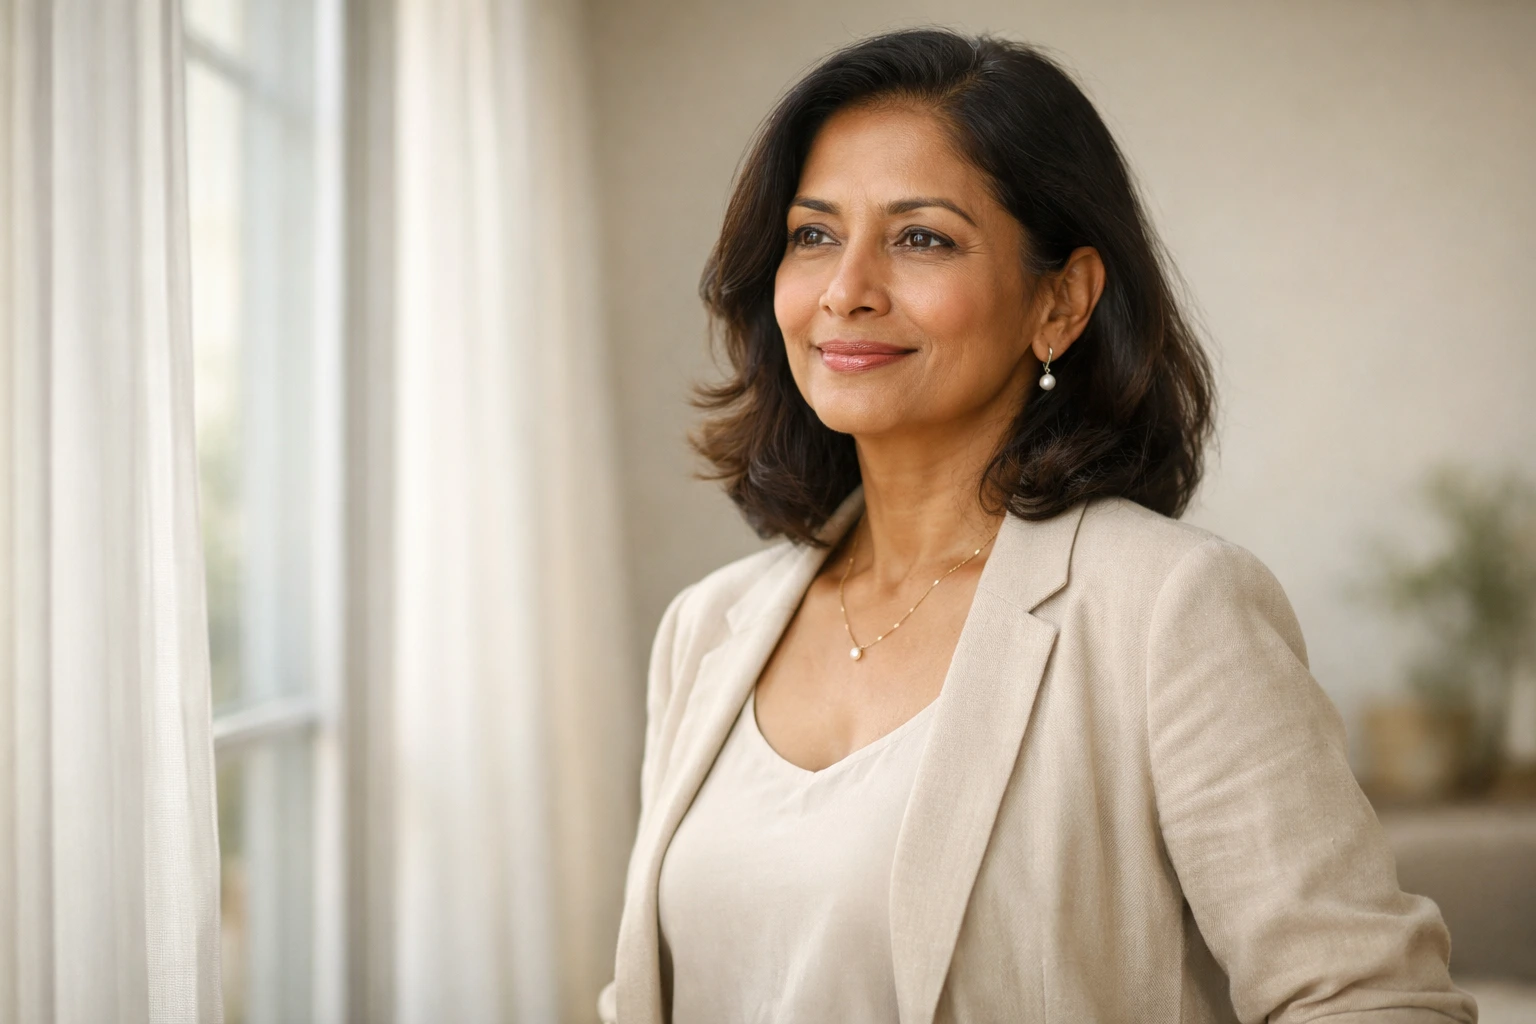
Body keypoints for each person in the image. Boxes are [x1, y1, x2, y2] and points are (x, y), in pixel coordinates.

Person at [598, 27, 1475, 1024]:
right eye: (813, 235)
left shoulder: (1170, 612)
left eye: (921, 238)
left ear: (1060, 302)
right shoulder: (706, 629)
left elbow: (1373, 1000)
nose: (846, 290)